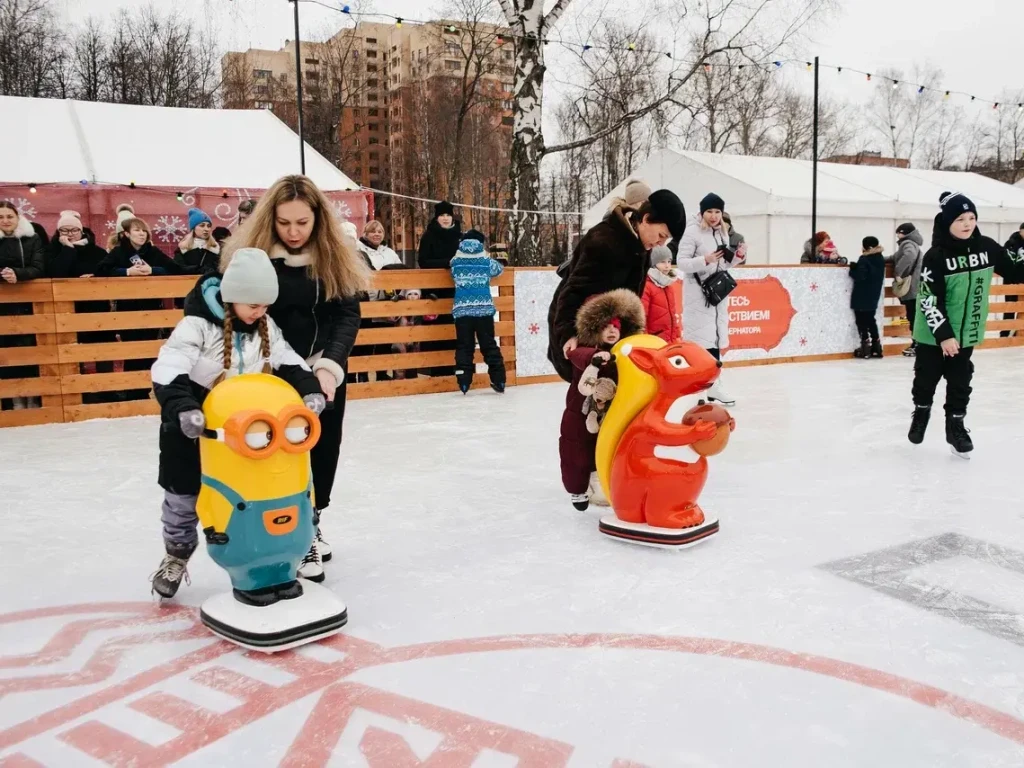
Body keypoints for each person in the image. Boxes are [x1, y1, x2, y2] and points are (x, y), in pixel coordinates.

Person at [149, 248, 325, 598]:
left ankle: (292, 545)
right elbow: (169, 367)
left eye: (265, 306)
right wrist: (183, 408)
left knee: (278, 486)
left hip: (249, 434)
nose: (261, 312)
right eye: (254, 305)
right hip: (194, 432)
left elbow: (289, 361)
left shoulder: (265, 326)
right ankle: (177, 554)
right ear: (234, 297)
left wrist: (309, 390)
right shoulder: (196, 326)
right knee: (184, 497)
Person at [222, 174, 369, 580]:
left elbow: (347, 315)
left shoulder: (334, 257)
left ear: (317, 220)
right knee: (272, 451)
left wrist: (330, 365)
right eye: (285, 223)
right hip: (268, 373)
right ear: (271, 219)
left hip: (322, 369)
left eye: (302, 223)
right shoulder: (252, 257)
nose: (293, 232)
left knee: (321, 448)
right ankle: (270, 530)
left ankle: (311, 527)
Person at [908, 192, 1024, 457]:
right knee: (927, 378)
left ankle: (955, 426)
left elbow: (1016, 270)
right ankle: (922, 412)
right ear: (948, 222)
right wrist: (944, 335)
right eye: (960, 219)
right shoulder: (936, 256)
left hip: (967, 331)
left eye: (971, 217)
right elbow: (927, 300)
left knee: (961, 380)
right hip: (933, 333)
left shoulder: (987, 247)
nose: (967, 223)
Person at [547, 190, 685, 382]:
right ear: (646, 219)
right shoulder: (604, 241)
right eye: (662, 235)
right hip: (582, 335)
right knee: (586, 400)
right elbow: (573, 291)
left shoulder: (640, 246)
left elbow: (632, 298)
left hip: (612, 334)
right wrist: (568, 335)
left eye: (666, 239)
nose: (662, 243)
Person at [560, 289, 645, 511]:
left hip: (613, 410)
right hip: (582, 410)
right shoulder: (583, 348)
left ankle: (605, 483)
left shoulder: (625, 352)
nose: (611, 331)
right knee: (577, 448)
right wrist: (595, 358)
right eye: (605, 327)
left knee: (610, 447)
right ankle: (578, 489)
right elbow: (577, 356)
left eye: (615, 327)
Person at [676, 193, 746, 406]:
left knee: (714, 341)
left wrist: (736, 259)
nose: (714, 216)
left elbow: (721, 265)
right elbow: (681, 263)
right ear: (702, 212)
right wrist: (703, 259)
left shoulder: (722, 232)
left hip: (716, 296)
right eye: (710, 211)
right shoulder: (692, 232)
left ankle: (712, 385)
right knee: (701, 344)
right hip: (698, 297)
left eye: (717, 211)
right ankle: (704, 386)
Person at [0, 201, 46, 410]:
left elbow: (38, 266)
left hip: (28, 303)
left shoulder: (32, 238)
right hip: (3, 306)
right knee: (8, 353)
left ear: (17, 217)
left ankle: (34, 397)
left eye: (9, 216)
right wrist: (3, 275)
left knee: (30, 351)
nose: (5, 221)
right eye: (1, 217)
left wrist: (18, 274)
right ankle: (15, 399)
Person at [450, 230, 506, 393]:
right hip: (483, 309)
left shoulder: (456, 261)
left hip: (463, 311)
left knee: (464, 346)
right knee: (489, 345)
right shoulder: (486, 260)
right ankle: (499, 380)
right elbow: (499, 269)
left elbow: (452, 272)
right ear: (481, 243)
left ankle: (464, 381)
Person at [418, 201, 462, 376]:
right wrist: (448, 263)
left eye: (448, 215)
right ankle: (436, 370)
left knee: (457, 329)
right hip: (435, 291)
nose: (445, 218)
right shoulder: (429, 235)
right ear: (437, 217)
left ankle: (457, 368)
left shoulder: (460, 236)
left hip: (456, 290)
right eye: (442, 215)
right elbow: (423, 261)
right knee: (437, 329)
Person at [98, 218, 180, 276]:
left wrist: (152, 270)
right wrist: (128, 271)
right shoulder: (118, 251)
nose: (142, 233)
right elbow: (101, 270)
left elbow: (175, 269)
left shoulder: (153, 251)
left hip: (151, 297)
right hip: (126, 297)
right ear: (127, 234)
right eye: (137, 230)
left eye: (144, 230)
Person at [849, 236, 886, 359]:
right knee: (871, 319)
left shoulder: (865, 259)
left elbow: (860, 276)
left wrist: (853, 269)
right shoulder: (880, 258)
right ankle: (876, 347)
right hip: (874, 294)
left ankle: (865, 347)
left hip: (862, 294)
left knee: (861, 320)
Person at [891, 223, 924, 356]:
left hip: (912, 287)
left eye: (898, 233)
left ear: (903, 233)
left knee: (913, 316)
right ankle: (919, 343)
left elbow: (909, 256)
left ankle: (917, 344)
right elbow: (895, 258)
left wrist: (898, 272)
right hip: (916, 287)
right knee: (915, 315)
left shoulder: (908, 243)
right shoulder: (912, 244)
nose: (897, 236)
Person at [47, 210, 107, 278]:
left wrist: (94, 276)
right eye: (64, 230)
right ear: (59, 232)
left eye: (74, 230)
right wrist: (68, 249)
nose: (70, 234)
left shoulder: (98, 252)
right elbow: (54, 274)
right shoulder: (52, 250)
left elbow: (107, 272)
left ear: (81, 232)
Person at [641, 245, 681, 343]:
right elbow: (642, 319)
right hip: (653, 342)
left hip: (670, 341)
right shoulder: (646, 286)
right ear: (652, 264)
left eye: (669, 261)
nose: (667, 266)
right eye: (662, 262)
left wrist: (676, 338)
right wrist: (645, 341)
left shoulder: (668, 286)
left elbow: (672, 316)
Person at [174, 208, 221, 274]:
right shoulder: (183, 249)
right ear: (193, 228)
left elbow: (221, 268)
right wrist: (198, 269)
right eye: (202, 226)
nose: (206, 229)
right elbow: (178, 269)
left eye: (209, 226)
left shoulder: (216, 248)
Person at [1001, 223, 1024, 338]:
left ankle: (1018, 332)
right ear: (1020, 231)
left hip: (1023, 283)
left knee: (1022, 310)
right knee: (1010, 308)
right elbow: (1006, 261)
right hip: (1011, 281)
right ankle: (1004, 333)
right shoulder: (1012, 243)